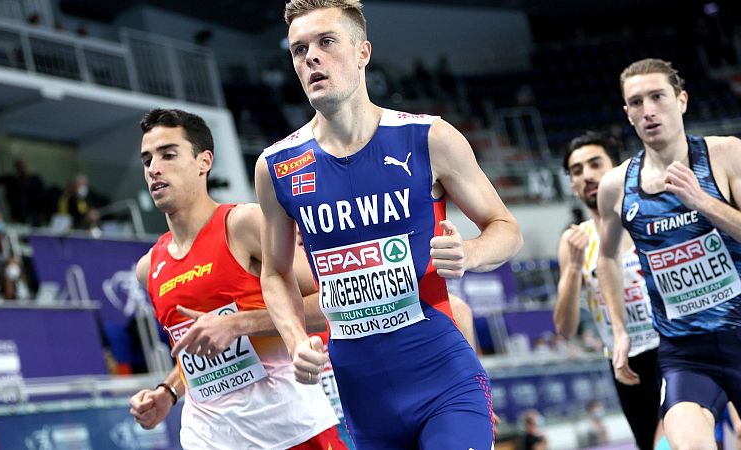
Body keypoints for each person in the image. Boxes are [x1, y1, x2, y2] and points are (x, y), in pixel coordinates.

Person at [255, 1, 523, 448]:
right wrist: (295, 337)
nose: (311, 58)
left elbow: (505, 227)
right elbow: (276, 272)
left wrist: (470, 253)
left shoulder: (429, 137)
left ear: (363, 52)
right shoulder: (276, 167)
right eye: (299, 50)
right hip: (362, 398)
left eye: (326, 42)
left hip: (444, 379)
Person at [128, 108, 344, 449]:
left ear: (204, 162)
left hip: (291, 428)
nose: (154, 168)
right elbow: (197, 352)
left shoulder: (245, 225)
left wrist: (238, 324)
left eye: (168, 155)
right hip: (209, 437)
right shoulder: (148, 268)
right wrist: (169, 392)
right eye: (147, 159)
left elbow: (337, 297)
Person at [596, 58, 741, 449]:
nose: (648, 110)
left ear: (681, 100)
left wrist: (703, 202)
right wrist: (619, 331)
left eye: (657, 97)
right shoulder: (617, 185)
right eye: (636, 102)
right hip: (686, 353)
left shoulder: (724, 155)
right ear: (627, 114)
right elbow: (606, 257)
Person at [553, 131, 662, 449]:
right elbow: (565, 328)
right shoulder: (574, 240)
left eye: (595, 164)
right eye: (577, 171)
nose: (587, 175)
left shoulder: (648, 218)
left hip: (671, 347)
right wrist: (573, 268)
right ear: (572, 185)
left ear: (617, 169)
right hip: (624, 361)